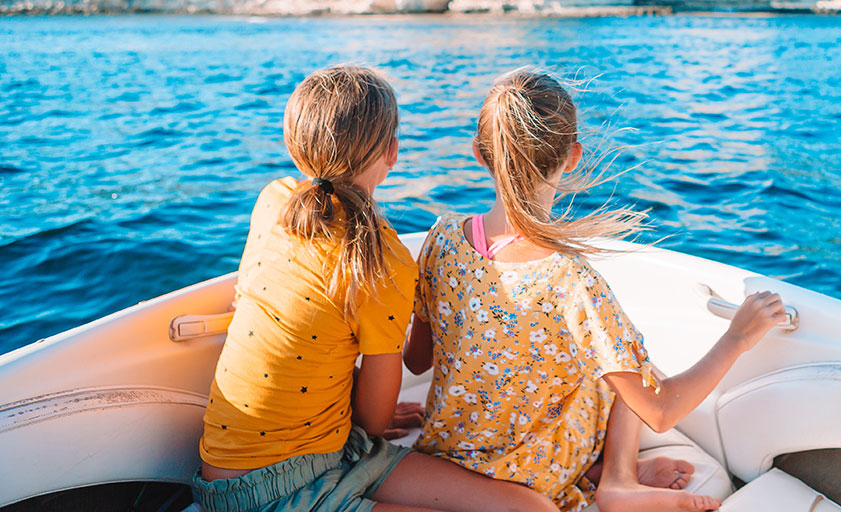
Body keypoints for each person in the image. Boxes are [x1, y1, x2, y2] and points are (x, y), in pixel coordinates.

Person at [404, 68, 787, 512]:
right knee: (633, 370)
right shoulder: (571, 280)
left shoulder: (442, 237)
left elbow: (417, 360)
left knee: (598, 361)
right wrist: (737, 337)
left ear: (478, 152)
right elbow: (660, 413)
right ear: (572, 157)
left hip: (450, 456)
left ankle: (601, 474)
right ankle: (617, 480)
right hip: (533, 477)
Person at [195, 65, 557, 512]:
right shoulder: (382, 260)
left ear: (295, 143)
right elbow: (376, 418)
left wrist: (348, 416)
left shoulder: (275, 199)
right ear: (392, 152)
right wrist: (364, 418)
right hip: (272, 495)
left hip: (265, 464)